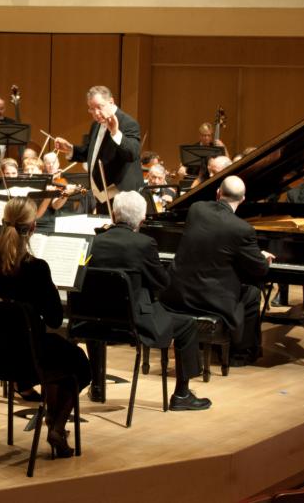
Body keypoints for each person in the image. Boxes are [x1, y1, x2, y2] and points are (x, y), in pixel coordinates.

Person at [0, 198, 91, 457]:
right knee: (79, 363)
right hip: (27, 359)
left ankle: (51, 417)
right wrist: (50, 290)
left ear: (3, 223)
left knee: (57, 354)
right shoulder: (36, 268)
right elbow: (54, 320)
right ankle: (56, 425)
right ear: (34, 227)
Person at [85, 192, 209, 410]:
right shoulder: (144, 243)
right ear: (142, 220)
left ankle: (97, 386)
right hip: (135, 323)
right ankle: (182, 395)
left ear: (113, 215)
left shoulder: (94, 242)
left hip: (98, 322)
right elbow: (162, 283)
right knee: (187, 324)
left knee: (97, 313)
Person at [161, 176, 273, 365]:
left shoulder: (196, 210)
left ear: (218, 193)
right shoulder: (243, 229)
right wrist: (263, 257)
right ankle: (240, 353)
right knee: (253, 292)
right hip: (209, 301)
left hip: (177, 294)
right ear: (243, 199)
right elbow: (260, 269)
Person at [54, 85, 142, 212]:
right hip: (102, 195)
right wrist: (70, 149)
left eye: (99, 107)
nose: (96, 113)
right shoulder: (96, 125)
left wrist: (115, 132)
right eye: (91, 108)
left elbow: (132, 154)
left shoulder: (128, 123)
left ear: (111, 102)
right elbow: (91, 153)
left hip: (122, 197)